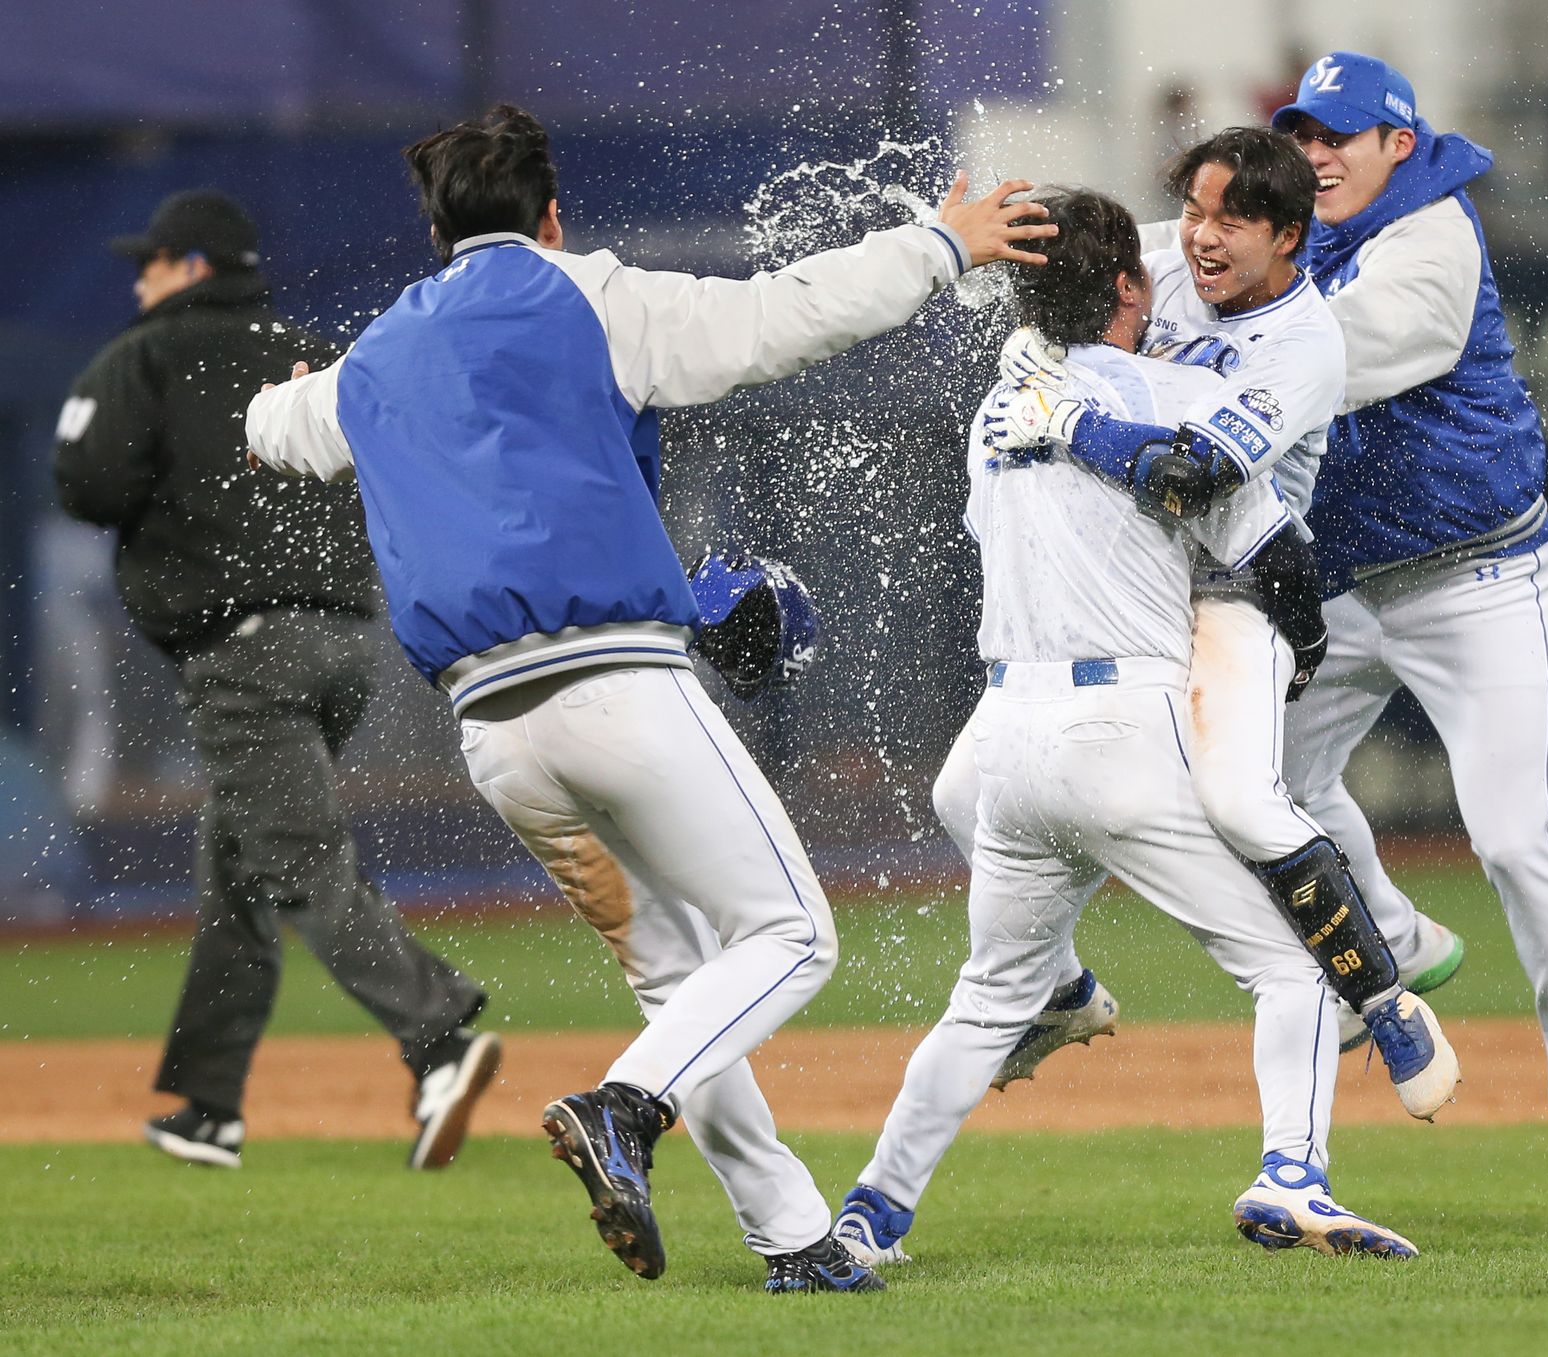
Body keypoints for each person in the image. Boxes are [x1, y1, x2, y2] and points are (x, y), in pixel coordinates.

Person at [242, 105, 1055, 1294]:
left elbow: (277, 426)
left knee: (681, 984)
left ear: (434, 232)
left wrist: (279, 409)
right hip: (615, 690)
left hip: (494, 736)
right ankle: (621, 1108)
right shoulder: (592, 295)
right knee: (789, 936)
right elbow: (783, 316)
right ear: (551, 216)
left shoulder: (373, 359)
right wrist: (939, 244)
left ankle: (794, 1240)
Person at [834, 186, 1425, 1268]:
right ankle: (1291, 1176)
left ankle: (868, 1217)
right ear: (1124, 285)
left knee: (985, 1003)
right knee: (1292, 970)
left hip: (1006, 734)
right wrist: (1296, 651)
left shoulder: (994, 412)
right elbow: (1275, 555)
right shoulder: (1175, 393)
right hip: (1120, 729)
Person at [973, 129, 1467, 1089]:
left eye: (1232, 220)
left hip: (1247, 582)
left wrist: (1066, 415)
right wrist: (1005, 282)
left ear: (1288, 235)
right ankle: (1058, 988)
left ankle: (1384, 1000)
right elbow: (1061, 284)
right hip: (1142, 578)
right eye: (1195, 210)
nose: (1201, 235)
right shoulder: (1165, 267)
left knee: (1240, 799)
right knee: (967, 793)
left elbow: (1190, 477)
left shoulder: (1304, 345)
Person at [51, 189, 500, 1172]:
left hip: (246, 656)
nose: (140, 277)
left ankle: (438, 1038)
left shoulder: (145, 356)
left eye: (153, 260)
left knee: (298, 860)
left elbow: (87, 486)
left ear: (193, 267)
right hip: (346, 645)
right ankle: (208, 1104)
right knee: (241, 859)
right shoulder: (313, 354)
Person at [1271, 51, 1548, 1210]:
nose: (1316, 154)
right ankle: (1389, 931)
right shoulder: (1300, 226)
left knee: (1510, 837)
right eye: (1303, 134)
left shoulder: (1431, 236)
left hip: (1476, 579)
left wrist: (1199, 338)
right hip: (1351, 583)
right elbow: (1189, 246)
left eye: (1338, 135)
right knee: (1260, 787)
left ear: (1398, 143)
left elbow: (1324, 359)